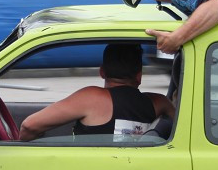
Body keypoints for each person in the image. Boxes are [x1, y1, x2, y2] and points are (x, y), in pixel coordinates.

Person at [18, 43, 175, 141]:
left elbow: (29, 126)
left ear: (102, 72)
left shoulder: (91, 97)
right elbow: (181, 121)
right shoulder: (159, 102)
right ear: (139, 76)